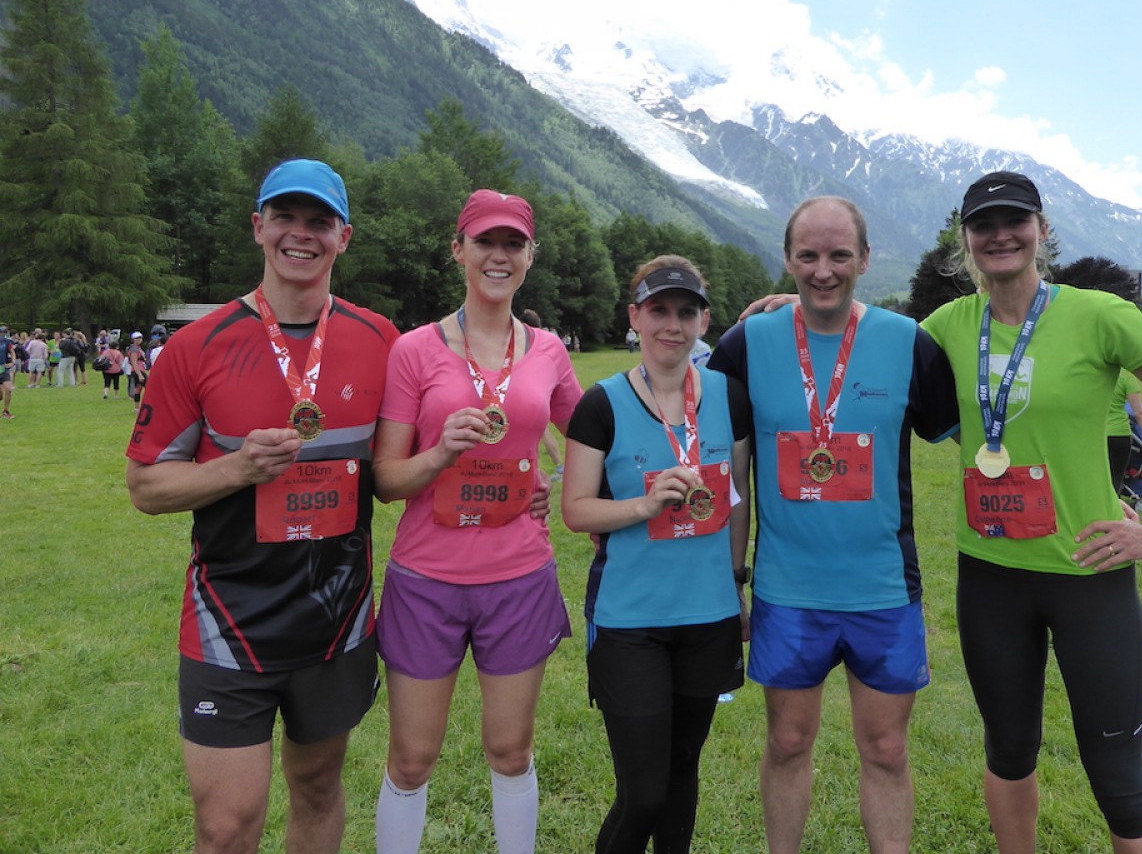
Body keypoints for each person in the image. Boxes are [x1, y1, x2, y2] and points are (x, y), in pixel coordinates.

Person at [920, 171, 1142, 854]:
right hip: (990, 576)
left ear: (1041, 230)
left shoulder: (1098, 315)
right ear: (966, 239)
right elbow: (860, 348)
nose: (1000, 235)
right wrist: (791, 309)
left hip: (1088, 576)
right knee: (1008, 752)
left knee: (1119, 779)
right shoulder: (947, 327)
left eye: (1015, 221)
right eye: (984, 224)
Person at [125, 158, 399, 854]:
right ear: (258, 227)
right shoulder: (195, 347)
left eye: (319, 221)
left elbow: (404, 465)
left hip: (336, 621)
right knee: (226, 828)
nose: (300, 234)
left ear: (345, 237)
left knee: (317, 791)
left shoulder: (382, 343)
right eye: (285, 217)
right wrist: (239, 468)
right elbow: (147, 487)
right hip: (229, 621)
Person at [709, 196, 959, 854]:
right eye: (809, 255)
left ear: (865, 260)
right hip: (789, 592)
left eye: (839, 255)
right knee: (788, 742)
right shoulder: (745, 344)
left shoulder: (909, 343)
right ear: (788, 259)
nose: (824, 270)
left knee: (885, 748)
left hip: (881, 588)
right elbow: (703, 448)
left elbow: (979, 438)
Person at [372, 189, 582, 854]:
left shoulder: (548, 350)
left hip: (518, 577)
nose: (499, 255)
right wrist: (439, 453)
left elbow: (594, 437)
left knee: (511, 750)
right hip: (426, 580)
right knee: (410, 758)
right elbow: (385, 479)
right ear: (458, 250)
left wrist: (558, 483)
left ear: (529, 256)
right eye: (485, 242)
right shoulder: (413, 350)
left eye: (512, 244)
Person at [562, 256, 751, 854]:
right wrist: (641, 508)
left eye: (686, 312)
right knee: (643, 791)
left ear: (704, 320)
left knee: (680, 778)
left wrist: (737, 582)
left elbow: (738, 499)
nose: (673, 324)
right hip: (630, 622)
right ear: (634, 317)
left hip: (708, 616)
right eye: (659, 311)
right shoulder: (601, 403)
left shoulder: (729, 396)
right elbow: (575, 510)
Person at [521, 309, 567, 482]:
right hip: (540, 393)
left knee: (544, 432)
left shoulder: (527, 343)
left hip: (534, 397)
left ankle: (559, 468)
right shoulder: (545, 341)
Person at [1107, 369, 1142, 495]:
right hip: (1119, 435)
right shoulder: (1127, 379)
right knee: (1116, 479)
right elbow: (1139, 413)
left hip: (1096, 435)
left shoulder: (1093, 376)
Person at [125, 330, 149, 413]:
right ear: (133, 339)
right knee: (149, 387)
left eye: (140, 338)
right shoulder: (134, 349)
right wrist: (139, 374)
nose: (139, 339)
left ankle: (137, 408)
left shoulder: (138, 348)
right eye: (137, 338)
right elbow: (134, 362)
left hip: (140, 370)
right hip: (138, 370)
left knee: (138, 388)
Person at [0, 324, 15, 418]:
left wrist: (12, 362)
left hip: (3, 368)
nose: (3, 333)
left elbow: (12, 352)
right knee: (0, 396)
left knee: (9, 389)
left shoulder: (6, 342)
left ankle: (6, 411)